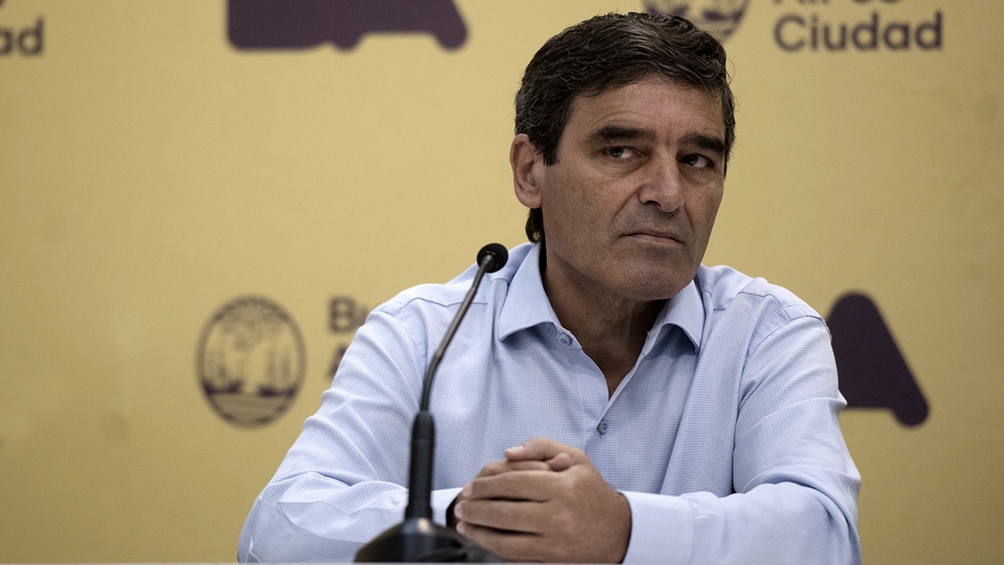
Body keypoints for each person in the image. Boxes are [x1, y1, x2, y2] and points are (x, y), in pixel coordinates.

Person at [238, 12, 861, 564]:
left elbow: (824, 539)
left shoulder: (767, 334)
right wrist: (476, 515)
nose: (668, 194)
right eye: (622, 151)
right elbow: (277, 532)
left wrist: (624, 531)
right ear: (531, 171)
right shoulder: (423, 335)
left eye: (697, 160)